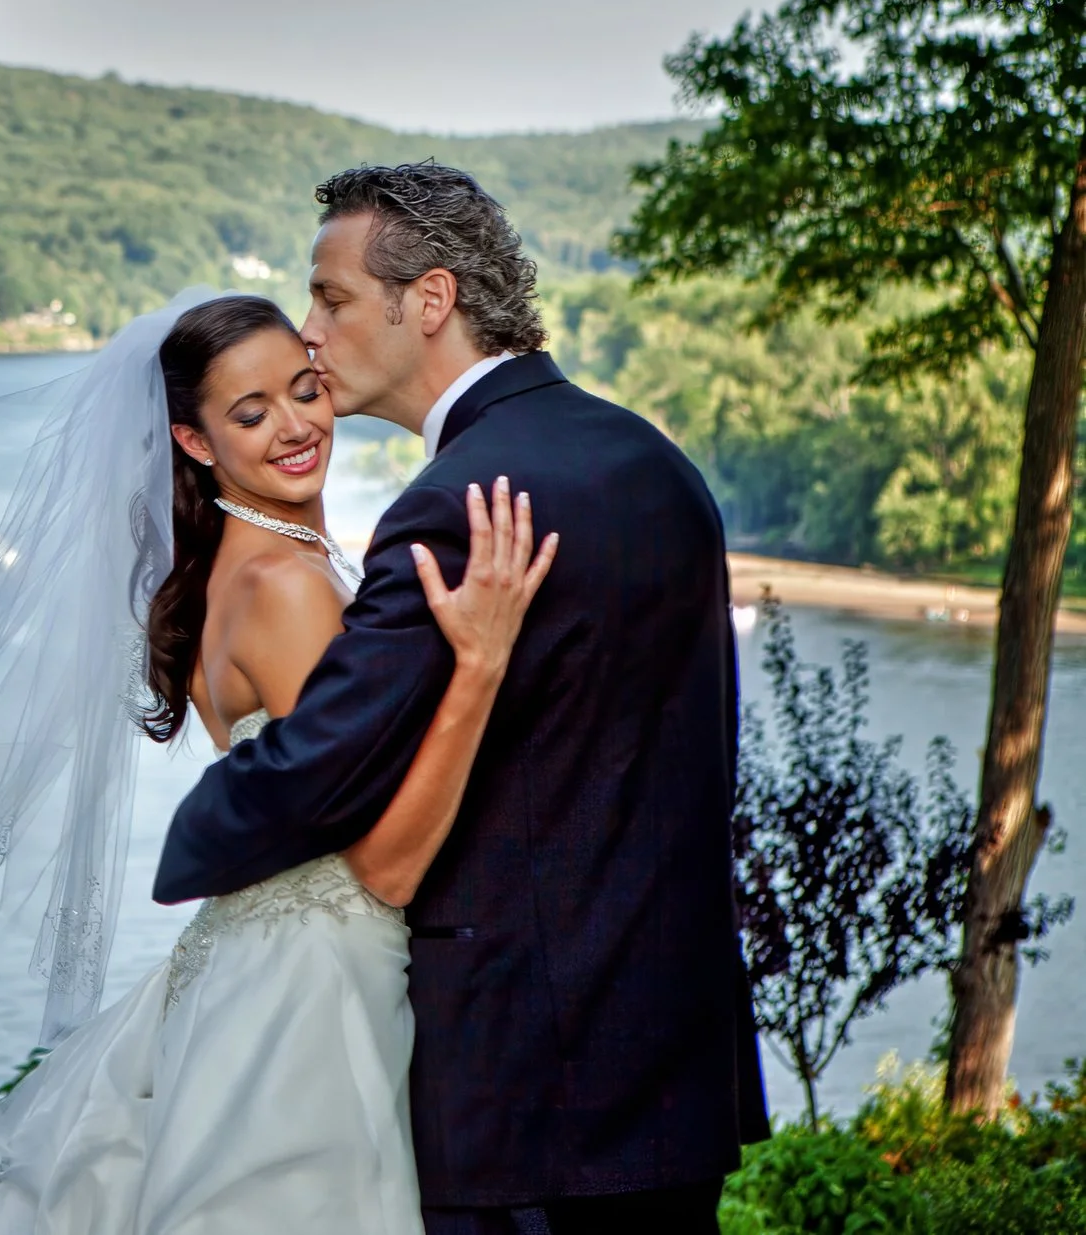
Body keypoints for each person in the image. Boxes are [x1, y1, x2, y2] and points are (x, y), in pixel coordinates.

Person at [0, 290, 554, 1235]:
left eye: (306, 390)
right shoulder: (288, 590)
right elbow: (384, 866)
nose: (297, 426)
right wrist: (481, 662)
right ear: (192, 441)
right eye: (251, 413)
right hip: (315, 992)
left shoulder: (237, 567)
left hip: (244, 964)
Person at [156, 164, 770, 1234]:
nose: (309, 333)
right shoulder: (653, 462)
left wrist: (192, 835)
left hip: (518, 1089)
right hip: (673, 1069)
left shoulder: (454, 504)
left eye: (332, 297)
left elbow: (316, 768)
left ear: (427, 300)